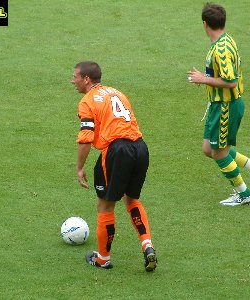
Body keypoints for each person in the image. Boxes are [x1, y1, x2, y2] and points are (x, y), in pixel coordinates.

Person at [71, 61, 157, 271]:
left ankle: (103, 258)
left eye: (75, 77)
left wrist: (79, 168)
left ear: (87, 79)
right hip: (140, 147)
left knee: (105, 205)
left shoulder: (87, 101)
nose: (72, 81)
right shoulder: (118, 93)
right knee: (132, 199)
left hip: (117, 151)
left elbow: (86, 138)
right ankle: (148, 245)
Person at [188, 3, 250, 206]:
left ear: (205, 24)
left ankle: (243, 193)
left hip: (226, 106)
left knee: (219, 152)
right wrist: (205, 77)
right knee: (209, 148)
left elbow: (230, 80)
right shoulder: (225, 40)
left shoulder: (221, 49)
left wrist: (204, 79)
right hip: (219, 104)